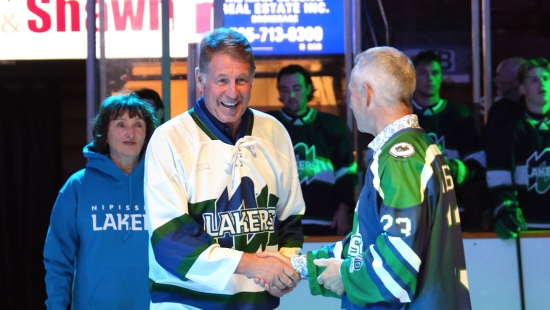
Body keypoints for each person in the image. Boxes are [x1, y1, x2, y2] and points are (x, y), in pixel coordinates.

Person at [256, 46, 471, 309]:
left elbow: (398, 267)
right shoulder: (415, 147)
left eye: (351, 93)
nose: (350, 102)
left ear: (366, 94)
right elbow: (364, 241)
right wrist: (298, 265)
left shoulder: (399, 159)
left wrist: (345, 277)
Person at [143, 27, 305, 309]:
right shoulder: (169, 140)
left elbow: (290, 221)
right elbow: (170, 241)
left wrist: (286, 267)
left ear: (252, 80)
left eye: (241, 80)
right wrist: (251, 265)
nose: (233, 92)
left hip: (258, 303)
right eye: (222, 80)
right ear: (200, 80)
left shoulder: (275, 132)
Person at [43, 93, 156, 309]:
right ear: (104, 133)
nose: (130, 133)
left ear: (147, 134)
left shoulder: (162, 183)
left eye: (138, 125)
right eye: (121, 124)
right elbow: (58, 256)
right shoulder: (78, 186)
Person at [267, 64, 358, 236]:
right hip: (282, 222)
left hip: (326, 220)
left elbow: (346, 172)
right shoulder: (268, 124)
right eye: (285, 90)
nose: (291, 95)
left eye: (297, 88)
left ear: (309, 88)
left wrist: (344, 208)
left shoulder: (332, 125)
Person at [411, 50, 486, 230]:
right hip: (412, 213)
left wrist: (461, 172)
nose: (430, 78)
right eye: (423, 73)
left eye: (435, 73)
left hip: (454, 210)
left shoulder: (459, 114)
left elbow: (477, 160)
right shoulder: (401, 116)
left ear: (441, 77)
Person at [487, 57, 550, 239]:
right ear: (521, 88)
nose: (542, 84)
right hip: (526, 229)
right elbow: (499, 173)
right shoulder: (511, 126)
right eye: (534, 80)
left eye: (546, 78)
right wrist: (505, 208)